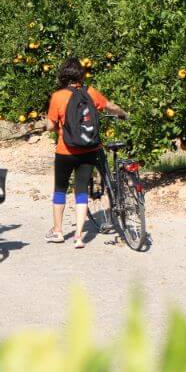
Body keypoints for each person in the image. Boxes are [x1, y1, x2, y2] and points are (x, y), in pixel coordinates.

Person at [44, 57, 128, 248]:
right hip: (89, 149)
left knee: (60, 189)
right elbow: (110, 106)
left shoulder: (58, 96)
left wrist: (51, 123)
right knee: (81, 190)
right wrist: (122, 113)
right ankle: (79, 236)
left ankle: (58, 232)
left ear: (63, 75)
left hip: (65, 151)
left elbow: (50, 127)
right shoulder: (90, 92)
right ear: (81, 74)